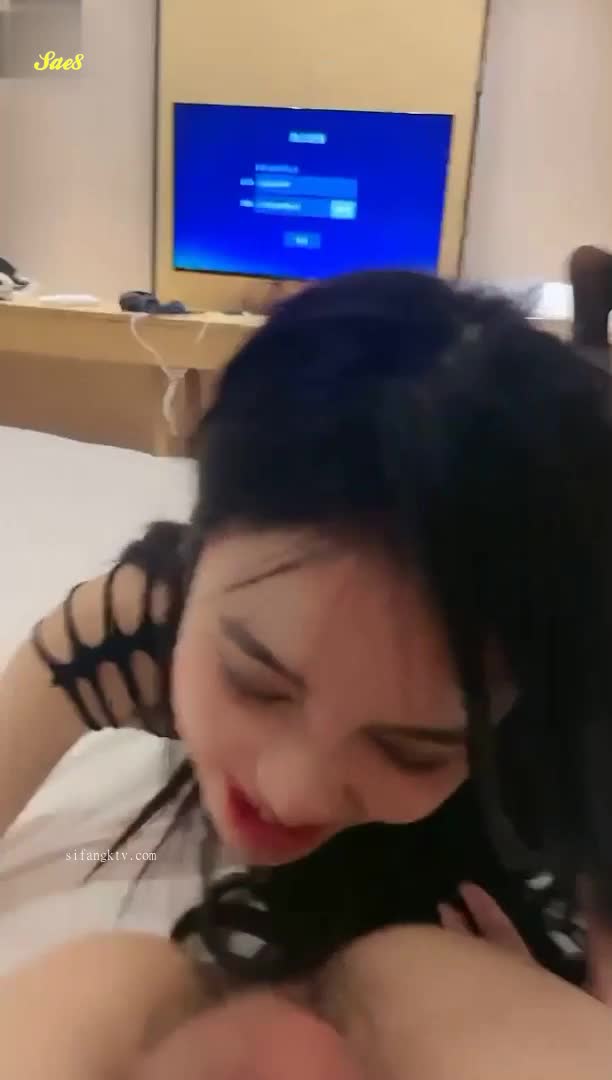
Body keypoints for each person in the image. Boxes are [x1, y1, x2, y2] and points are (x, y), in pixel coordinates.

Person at [2, 269, 612, 999]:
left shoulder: (569, 714)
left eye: (411, 750)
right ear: (201, 549)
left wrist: (559, 1021)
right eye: (254, 684)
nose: (292, 794)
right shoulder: (137, 625)